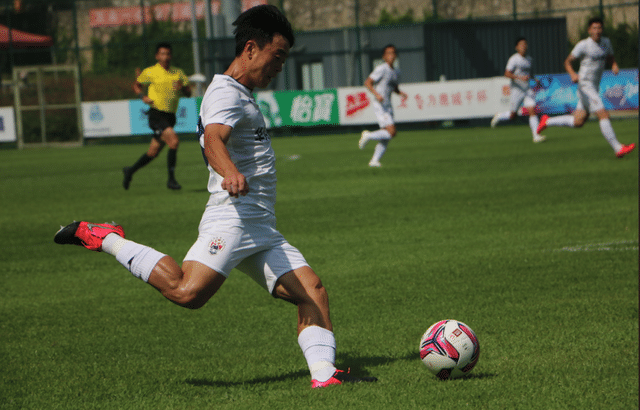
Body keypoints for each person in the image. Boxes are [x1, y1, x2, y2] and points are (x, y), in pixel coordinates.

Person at [54, 5, 377, 389]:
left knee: (313, 290)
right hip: (233, 219)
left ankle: (324, 376)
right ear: (251, 49)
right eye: (277, 56)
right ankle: (106, 237)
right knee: (186, 292)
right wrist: (230, 172)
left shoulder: (240, 93)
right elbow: (213, 140)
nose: (279, 67)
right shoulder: (225, 92)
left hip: (260, 225)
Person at [536, 17, 635, 158]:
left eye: (599, 28)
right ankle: (618, 148)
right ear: (589, 30)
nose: (597, 31)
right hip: (584, 85)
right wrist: (572, 74)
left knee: (579, 121)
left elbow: (610, 57)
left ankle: (547, 121)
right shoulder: (583, 45)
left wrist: (614, 64)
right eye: (594, 28)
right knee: (603, 114)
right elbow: (567, 62)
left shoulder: (606, 42)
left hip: (594, 86)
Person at [124, 42, 192, 190]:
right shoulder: (150, 71)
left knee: (153, 152)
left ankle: (130, 171)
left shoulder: (178, 73)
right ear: (157, 56)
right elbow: (136, 85)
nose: (165, 57)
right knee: (174, 142)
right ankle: (171, 180)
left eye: (168, 54)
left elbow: (188, 93)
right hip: (156, 115)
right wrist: (143, 97)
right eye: (162, 54)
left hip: (170, 116)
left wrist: (182, 88)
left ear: (171, 56)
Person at [358, 44, 408, 167]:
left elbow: (394, 87)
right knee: (392, 132)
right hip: (380, 105)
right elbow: (368, 82)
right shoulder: (381, 68)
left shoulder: (397, 71)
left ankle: (374, 161)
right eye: (388, 53)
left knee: (386, 136)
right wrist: (377, 94)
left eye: (393, 53)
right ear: (384, 57)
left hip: (388, 106)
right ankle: (368, 135)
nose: (391, 55)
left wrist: (400, 93)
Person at [491, 37, 546, 143]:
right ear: (516, 47)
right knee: (513, 116)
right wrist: (520, 78)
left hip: (527, 89)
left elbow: (529, 73)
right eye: (521, 44)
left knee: (532, 110)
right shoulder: (514, 59)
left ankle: (536, 136)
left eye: (525, 44)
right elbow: (507, 74)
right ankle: (499, 116)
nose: (524, 46)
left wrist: (534, 79)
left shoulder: (529, 59)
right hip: (517, 90)